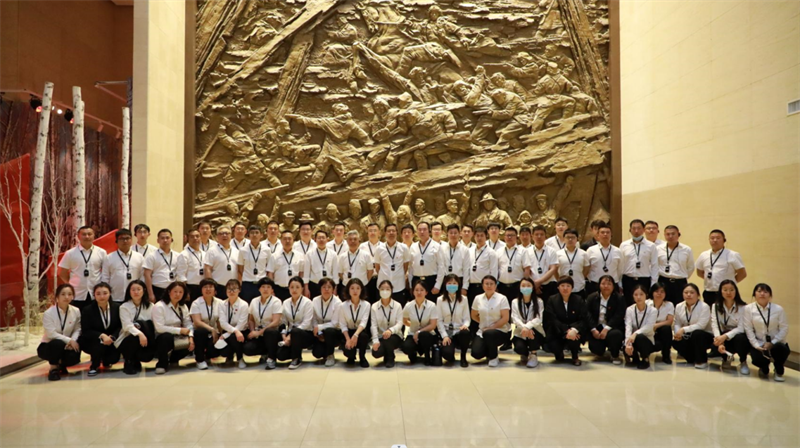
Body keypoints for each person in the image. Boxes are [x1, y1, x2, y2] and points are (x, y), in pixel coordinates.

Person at [742, 283, 789, 382]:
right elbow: (748, 329)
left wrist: (772, 343)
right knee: (757, 359)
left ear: (770, 295)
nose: (762, 294)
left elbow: (784, 328)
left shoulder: (778, 309)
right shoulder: (748, 309)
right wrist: (756, 345)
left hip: (776, 342)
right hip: (759, 342)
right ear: (754, 294)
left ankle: (778, 369)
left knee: (781, 349)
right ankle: (764, 367)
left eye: (765, 292)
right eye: (759, 291)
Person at [57, 225, 107, 310]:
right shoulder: (70, 253)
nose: (87, 236)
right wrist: (72, 284)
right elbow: (62, 273)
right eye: (84, 234)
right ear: (78, 236)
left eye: (89, 234)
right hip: (77, 294)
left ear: (94, 235)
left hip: (96, 294)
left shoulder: (101, 252)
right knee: (77, 317)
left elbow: (105, 272)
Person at [38, 285, 82, 381]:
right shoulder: (49, 313)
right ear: (57, 296)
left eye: (69, 294)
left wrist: (73, 340)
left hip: (68, 345)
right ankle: (53, 368)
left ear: (73, 296)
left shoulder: (76, 311)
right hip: (48, 345)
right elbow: (51, 334)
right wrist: (69, 340)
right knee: (57, 343)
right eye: (63, 294)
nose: (66, 297)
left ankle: (61, 364)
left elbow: (77, 328)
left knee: (74, 357)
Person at [152, 281, 194, 374]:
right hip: (161, 337)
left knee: (194, 340)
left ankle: (174, 359)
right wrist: (179, 330)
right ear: (169, 292)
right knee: (166, 337)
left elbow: (188, 323)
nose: (177, 294)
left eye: (180, 292)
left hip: (179, 336)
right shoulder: (159, 306)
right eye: (175, 291)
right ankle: (162, 364)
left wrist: (191, 337)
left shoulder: (183, 306)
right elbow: (159, 328)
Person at [79, 283, 121, 376]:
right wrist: (101, 335)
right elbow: (86, 330)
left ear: (110, 293)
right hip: (93, 340)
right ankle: (94, 366)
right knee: (97, 345)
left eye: (105, 293)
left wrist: (113, 337)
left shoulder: (117, 307)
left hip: (111, 340)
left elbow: (120, 326)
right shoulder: (87, 310)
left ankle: (106, 360)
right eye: (98, 294)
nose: (102, 296)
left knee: (113, 359)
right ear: (94, 295)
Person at [543, 277, 586, 366]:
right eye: (562, 285)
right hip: (557, 330)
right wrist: (567, 330)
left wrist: (574, 329)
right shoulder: (552, 299)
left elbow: (583, 318)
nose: (565, 288)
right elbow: (552, 318)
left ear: (572, 288)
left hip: (574, 331)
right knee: (553, 345)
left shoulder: (578, 300)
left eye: (568, 286)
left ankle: (575, 356)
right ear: (558, 287)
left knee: (574, 336)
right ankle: (559, 353)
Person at [696, 229, 746, 303]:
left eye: (718, 238)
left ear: (724, 240)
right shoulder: (703, 255)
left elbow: (742, 274)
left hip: (726, 293)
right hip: (709, 292)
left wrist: (729, 284)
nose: (715, 240)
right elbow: (699, 272)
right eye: (712, 238)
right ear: (709, 240)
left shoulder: (733, 255)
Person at [710, 280, 749, 374]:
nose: (728, 293)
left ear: (736, 291)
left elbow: (741, 328)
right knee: (715, 341)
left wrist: (724, 337)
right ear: (720, 292)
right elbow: (715, 325)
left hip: (737, 334)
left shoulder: (743, 307)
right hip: (723, 334)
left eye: (731, 290)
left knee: (741, 338)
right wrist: (719, 340)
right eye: (725, 290)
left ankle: (743, 361)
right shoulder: (715, 306)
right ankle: (726, 358)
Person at [584, 275, 625, 364]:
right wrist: (593, 329)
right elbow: (587, 314)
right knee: (596, 349)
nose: (606, 286)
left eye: (609, 284)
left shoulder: (619, 298)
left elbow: (619, 315)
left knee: (616, 335)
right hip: (596, 327)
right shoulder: (592, 297)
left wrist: (607, 328)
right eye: (603, 284)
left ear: (613, 286)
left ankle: (614, 354)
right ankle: (600, 350)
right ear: (599, 285)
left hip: (612, 327)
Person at [117, 280, 155, 374]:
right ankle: (128, 361)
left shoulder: (151, 306)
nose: (136, 292)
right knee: (134, 338)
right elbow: (127, 326)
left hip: (147, 337)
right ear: (129, 292)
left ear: (144, 291)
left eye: (138, 289)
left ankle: (136, 359)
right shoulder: (124, 307)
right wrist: (140, 334)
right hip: (127, 338)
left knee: (147, 356)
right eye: (133, 290)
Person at [470, 275, 510, 367]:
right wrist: (482, 322)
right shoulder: (478, 298)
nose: (489, 286)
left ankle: (493, 357)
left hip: (499, 331)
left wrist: (491, 328)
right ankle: (489, 350)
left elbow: (505, 318)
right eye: (486, 284)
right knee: (476, 353)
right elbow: (473, 315)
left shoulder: (502, 298)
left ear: (495, 285)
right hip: (482, 331)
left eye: (491, 284)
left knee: (489, 333)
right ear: (482, 285)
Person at [244, 277, 283, 370]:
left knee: (270, 332)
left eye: (268, 287)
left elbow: (275, 322)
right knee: (247, 349)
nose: (265, 289)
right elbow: (251, 319)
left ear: (272, 290)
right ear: (259, 289)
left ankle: (272, 358)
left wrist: (259, 332)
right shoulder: (254, 301)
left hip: (273, 334)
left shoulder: (276, 301)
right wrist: (253, 331)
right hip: (259, 334)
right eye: (263, 287)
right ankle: (265, 353)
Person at [467, 227, 499, 335]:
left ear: (486, 237)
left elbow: (493, 271)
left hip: (484, 287)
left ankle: (486, 333)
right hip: (471, 286)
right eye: (477, 235)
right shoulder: (469, 251)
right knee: (472, 311)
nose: (479, 238)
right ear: (474, 236)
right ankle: (472, 336)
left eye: (482, 236)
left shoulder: (491, 253)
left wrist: (491, 288)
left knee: (484, 312)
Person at [672, 283, 713, 369]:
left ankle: (702, 361)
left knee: (697, 333)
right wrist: (677, 334)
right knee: (675, 342)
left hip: (704, 336)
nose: (688, 294)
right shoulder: (679, 306)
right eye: (686, 292)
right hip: (688, 335)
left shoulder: (704, 307)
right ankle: (692, 358)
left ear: (698, 295)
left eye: (692, 292)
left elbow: (701, 325)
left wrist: (683, 330)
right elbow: (677, 323)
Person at [278, 277, 314, 369]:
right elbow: (283, 321)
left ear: (302, 288)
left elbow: (306, 323)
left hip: (305, 334)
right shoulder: (285, 302)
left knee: (295, 332)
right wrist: (284, 336)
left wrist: (290, 335)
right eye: (292, 287)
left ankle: (296, 359)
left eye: (297, 287)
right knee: (281, 356)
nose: (294, 290)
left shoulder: (308, 303)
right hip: (290, 334)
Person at [619, 220, 658, 306]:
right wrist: (620, 283)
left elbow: (655, 266)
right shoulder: (624, 245)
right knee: (628, 305)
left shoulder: (651, 246)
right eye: (634, 228)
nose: (636, 231)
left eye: (639, 228)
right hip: (628, 280)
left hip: (644, 280)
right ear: (630, 230)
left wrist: (653, 284)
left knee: (643, 305)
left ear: (643, 230)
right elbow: (620, 265)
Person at [402, 280, 441, 365]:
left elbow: (433, 325)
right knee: (406, 347)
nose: (419, 292)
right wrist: (412, 325)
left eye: (422, 290)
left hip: (428, 334)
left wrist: (419, 332)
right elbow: (404, 320)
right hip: (413, 334)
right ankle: (413, 354)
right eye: (416, 290)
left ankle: (427, 356)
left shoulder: (432, 305)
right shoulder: (408, 305)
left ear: (426, 292)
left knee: (424, 335)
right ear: (413, 292)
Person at [436, 274, 471, 367]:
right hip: (447, 332)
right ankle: (451, 354)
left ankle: (463, 357)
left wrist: (465, 325)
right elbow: (439, 320)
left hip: (459, 331)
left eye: (454, 283)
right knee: (447, 355)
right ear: (445, 284)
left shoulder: (464, 299)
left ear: (458, 285)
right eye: (449, 283)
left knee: (465, 333)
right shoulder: (440, 300)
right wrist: (444, 336)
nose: (452, 285)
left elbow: (467, 318)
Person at [511, 277, 545, 368]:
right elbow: (515, 318)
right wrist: (524, 327)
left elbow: (539, 318)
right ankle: (525, 354)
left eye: (528, 286)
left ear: (533, 287)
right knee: (519, 348)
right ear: (519, 287)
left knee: (533, 334)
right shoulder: (515, 302)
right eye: (523, 286)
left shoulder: (539, 301)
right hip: (520, 331)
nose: (525, 288)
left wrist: (528, 327)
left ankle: (533, 355)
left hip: (535, 330)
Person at [102, 229, 144, 302]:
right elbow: (105, 278)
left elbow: (142, 277)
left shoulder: (139, 257)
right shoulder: (109, 258)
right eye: (121, 239)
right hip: (115, 297)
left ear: (131, 240)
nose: (125, 241)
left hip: (134, 297)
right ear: (116, 241)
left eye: (127, 238)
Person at [189, 278, 223, 370]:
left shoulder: (220, 302)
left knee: (215, 351)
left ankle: (208, 356)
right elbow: (197, 322)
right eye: (205, 287)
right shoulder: (196, 303)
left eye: (211, 287)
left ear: (215, 290)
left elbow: (220, 321)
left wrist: (221, 334)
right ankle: (200, 360)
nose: (208, 289)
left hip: (214, 333)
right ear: (201, 290)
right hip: (200, 333)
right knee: (201, 331)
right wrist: (211, 329)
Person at [338, 278, 372, 367]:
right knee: (348, 351)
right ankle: (351, 357)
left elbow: (364, 323)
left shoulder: (367, 305)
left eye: (358, 288)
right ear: (348, 290)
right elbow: (342, 325)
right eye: (352, 288)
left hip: (360, 332)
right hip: (348, 332)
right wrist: (348, 339)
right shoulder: (342, 306)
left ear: (361, 290)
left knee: (364, 336)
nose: (355, 291)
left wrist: (356, 335)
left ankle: (362, 357)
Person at [374, 223, 411, 306]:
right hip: (383, 286)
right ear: (385, 233)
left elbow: (405, 266)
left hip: (399, 286)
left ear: (397, 233)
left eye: (393, 231)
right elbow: (377, 267)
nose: (391, 233)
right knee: (382, 309)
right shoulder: (379, 248)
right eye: (389, 231)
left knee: (399, 309)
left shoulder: (404, 247)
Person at [371, 280, 405, 368]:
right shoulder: (374, 306)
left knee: (388, 339)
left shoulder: (397, 305)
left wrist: (390, 330)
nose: (385, 291)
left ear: (391, 290)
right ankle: (387, 353)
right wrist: (375, 341)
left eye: (387, 289)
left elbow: (400, 323)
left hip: (395, 336)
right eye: (382, 289)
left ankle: (390, 358)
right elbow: (373, 325)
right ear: (379, 290)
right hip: (381, 336)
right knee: (376, 352)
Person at [657, 225, 694, 306]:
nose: (670, 236)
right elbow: (655, 266)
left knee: (680, 305)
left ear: (678, 234)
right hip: (663, 281)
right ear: (664, 235)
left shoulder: (686, 249)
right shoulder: (658, 249)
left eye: (673, 234)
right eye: (668, 234)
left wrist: (681, 275)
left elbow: (691, 267)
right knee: (663, 305)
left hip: (680, 282)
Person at [217, 279, 250, 368]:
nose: (231, 291)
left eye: (234, 289)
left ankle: (240, 358)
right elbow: (222, 323)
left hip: (241, 332)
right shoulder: (221, 304)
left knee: (233, 337)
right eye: (229, 289)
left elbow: (242, 324)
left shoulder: (244, 304)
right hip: (228, 331)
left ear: (239, 290)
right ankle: (229, 357)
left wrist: (227, 335)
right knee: (222, 350)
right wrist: (233, 331)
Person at [408, 222, 444, 301]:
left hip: (431, 281)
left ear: (429, 231)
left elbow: (441, 267)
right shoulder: (413, 246)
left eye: (424, 229)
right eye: (419, 230)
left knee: (432, 306)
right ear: (417, 232)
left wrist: (437, 285)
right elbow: (410, 268)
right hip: (416, 281)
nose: (422, 232)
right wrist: (411, 285)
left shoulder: (437, 246)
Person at [310, 278, 343, 367]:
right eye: (324, 287)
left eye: (329, 287)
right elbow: (314, 319)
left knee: (329, 331)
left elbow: (335, 323)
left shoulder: (338, 303)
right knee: (317, 353)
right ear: (320, 289)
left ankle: (330, 355)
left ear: (333, 289)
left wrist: (319, 327)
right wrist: (316, 329)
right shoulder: (315, 300)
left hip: (334, 333)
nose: (326, 289)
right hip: (319, 332)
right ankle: (325, 352)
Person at [624, 284, 657, 369]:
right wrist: (628, 343)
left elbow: (649, 327)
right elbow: (628, 326)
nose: (638, 297)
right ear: (633, 296)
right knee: (624, 341)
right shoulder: (629, 309)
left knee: (640, 337)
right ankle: (634, 358)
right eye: (636, 294)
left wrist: (635, 333)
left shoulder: (653, 310)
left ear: (646, 295)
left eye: (641, 294)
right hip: (632, 339)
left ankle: (645, 359)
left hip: (647, 339)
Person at [268, 231, 309, 300]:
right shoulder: (274, 256)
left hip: (295, 290)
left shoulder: (299, 255)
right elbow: (270, 274)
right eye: (285, 239)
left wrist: (302, 289)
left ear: (293, 240)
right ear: (281, 241)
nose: (287, 241)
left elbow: (301, 274)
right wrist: (271, 289)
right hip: (279, 289)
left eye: (289, 239)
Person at [143, 229, 180, 303]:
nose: (165, 240)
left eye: (167, 238)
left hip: (173, 290)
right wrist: (150, 294)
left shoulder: (178, 256)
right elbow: (147, 275)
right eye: (162, 238)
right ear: (158, 240)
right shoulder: (152, 256)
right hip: (157, 290)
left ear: (171, 240)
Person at [585, 223, 621, 296]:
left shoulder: (617, 251)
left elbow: (620, 269)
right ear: (598, 235)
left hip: (612, 285)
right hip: (594, 284)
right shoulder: (591, 250)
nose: (605, 234)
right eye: (602, 232)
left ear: (611, 235)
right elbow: (587, 268)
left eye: (608, 232)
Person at [204, 225, 240, 299]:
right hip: (218, 287)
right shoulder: (212, 251)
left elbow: (240, 270)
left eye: (227, 233)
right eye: (221, 233)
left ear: (231, 235)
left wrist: (239, 285)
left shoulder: (236, 251)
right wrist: (211, 286)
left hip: (233, 287)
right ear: (217, 236)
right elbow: (207, 269)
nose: (224, 235)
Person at [237, 225, 268, 302]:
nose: (254, 235)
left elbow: (268, 267)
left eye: (257, 233)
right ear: (248, 235)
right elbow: (240, 269)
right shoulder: (243, 250)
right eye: (252, 233)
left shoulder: (267, 250)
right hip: (247, 284)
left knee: (261, 305)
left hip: (262, 283)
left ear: (261, 235)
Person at [526, 225, 558, 301]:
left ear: (545, 236)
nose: (539, 237)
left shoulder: (552, 251)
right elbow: (526, 269)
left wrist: (539, 282)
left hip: (549, 285)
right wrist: (534, 284)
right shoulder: (527, 251)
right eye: (536, 234)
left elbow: (553, 269)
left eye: (541, 234)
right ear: (532, 236)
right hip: (532, 285)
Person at [437, 224, 470, 298]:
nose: (453, 235)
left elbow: (466, 269)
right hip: (446, 280)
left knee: (458, 302)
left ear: (459, 234)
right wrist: (438, 285)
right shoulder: (441, 248)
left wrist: (465, 287)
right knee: (445, 301)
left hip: (459, 280)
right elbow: (440, 267)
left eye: (455, 233)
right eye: (451, 233)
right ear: (447, 234)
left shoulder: (464, 249)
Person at [555, 229, 590, 297]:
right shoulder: (558, 254)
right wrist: (559, 280)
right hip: (563, 287)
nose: (570, 239)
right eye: (568, 237)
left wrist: (581, 277)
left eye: (573, 237)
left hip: (579, 286)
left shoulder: (583, 253)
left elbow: (587, 267)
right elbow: (555, 270)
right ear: (564, 239)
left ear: (577, 239)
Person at [646, 283, 674, 364]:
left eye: (662, 291)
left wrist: (656, 325)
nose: (659, 294)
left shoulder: (669, 305)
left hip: (661, 331)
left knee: (666, 329)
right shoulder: (646, 303)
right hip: (648, 329)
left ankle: (666, 355)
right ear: (652, 292)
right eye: (656, 291)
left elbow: (669, 321)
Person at [307, 230, 338, 300]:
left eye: (323, 238)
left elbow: (335, 273)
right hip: (314, 285)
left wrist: (335, 288)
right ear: (315, 239)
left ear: (327, 239)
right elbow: (306, 272)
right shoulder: (309, 254)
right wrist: (306, 288)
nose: (321, 240)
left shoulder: (333, 254)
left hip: (329, 285)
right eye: (319, 238)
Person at [177, 228, 206, 300]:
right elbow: (181, 274)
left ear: (200, 238)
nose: (195, 238)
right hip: (190, 288)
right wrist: (185, 291)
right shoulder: (184, 254)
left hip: (203, 287)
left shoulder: (205, 254)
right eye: (192, 237)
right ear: (187, 239)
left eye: (197, 236)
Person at [360, 223, 384, 302]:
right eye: (370, 231)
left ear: (379, 233)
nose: (372, 233)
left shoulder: (384, 246)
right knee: (367, 301)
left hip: (380, 278)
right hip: (367, 279)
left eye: (375, 230)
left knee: (380, 301)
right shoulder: (361, 247)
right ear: (367, 233)